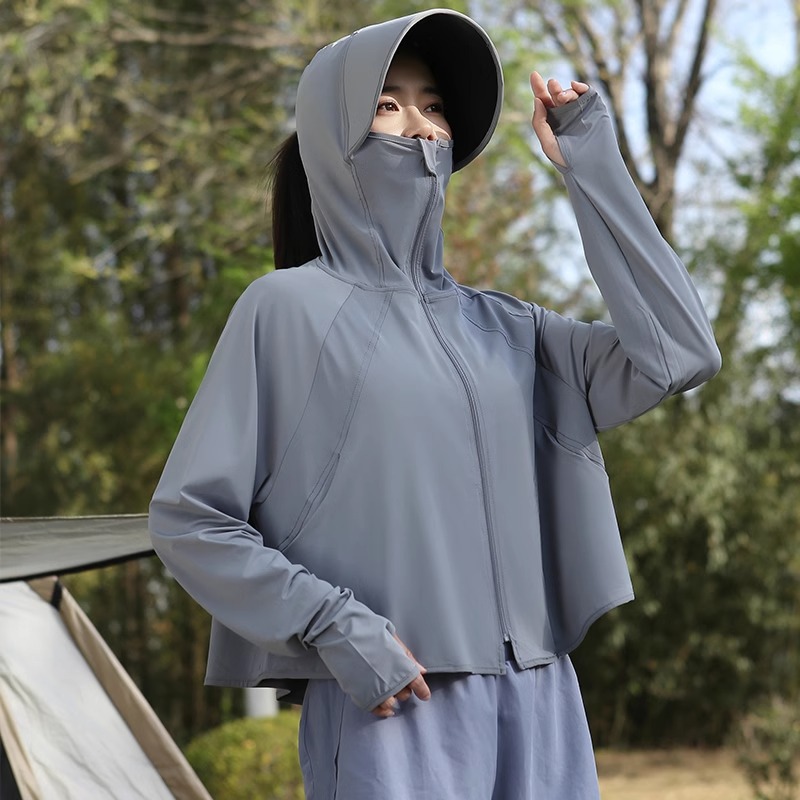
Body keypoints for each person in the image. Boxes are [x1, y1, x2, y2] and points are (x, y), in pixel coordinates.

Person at [149, 8, 721, 799]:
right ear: (333, 137)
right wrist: (335, 626)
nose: (420, 126)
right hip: (393, 705)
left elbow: (681, 353)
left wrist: (588, 163)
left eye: (435, 105)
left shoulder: (513, 327)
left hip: (542, 697)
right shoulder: (283, 312)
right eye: (388, 104)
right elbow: (190, 519)